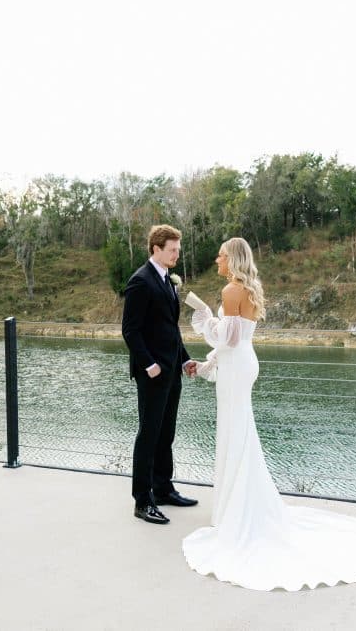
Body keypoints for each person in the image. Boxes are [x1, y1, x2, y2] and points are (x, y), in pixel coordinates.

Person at [183, 237, 356, 590]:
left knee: (235, 434)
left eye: (221, 255)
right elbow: (233, 345)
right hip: (242, 367)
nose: (216, 259)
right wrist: (207, 365)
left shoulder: (230, 291)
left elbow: (226, 341)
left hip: (236, 368)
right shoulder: (248, 289)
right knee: (239, 434)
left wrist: (205, 319)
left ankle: (235, 514)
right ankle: (236, 507)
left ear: (233, 259)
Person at [121, 224, 199, 525]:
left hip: (171, 371)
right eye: (172, 250)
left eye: (178, 250)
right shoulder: (140, 281)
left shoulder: (168, 280)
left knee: (166, 433)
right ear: (156, 249)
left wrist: (184, 359)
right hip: (152, 373)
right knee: (149, 435)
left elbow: (170, 328)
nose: (177, 255)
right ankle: (142, 501)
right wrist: (149, 365)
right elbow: (131, 330)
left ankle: (163, 489)